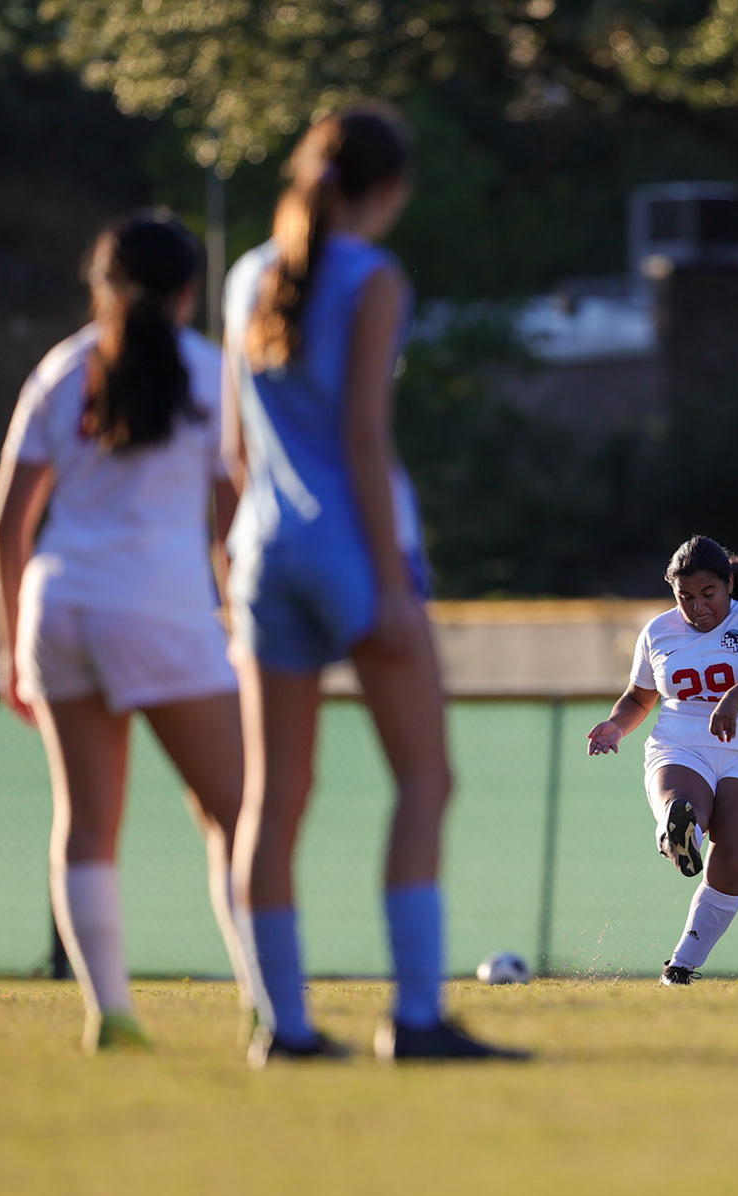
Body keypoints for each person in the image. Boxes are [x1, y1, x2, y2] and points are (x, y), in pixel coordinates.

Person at [223, 103, 526, 1065]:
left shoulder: (245, 277)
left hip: (261, 551)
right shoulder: (374, 276)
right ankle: (418, 1018)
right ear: (389, 190)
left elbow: (238, 451)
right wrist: (392, 583)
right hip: (352, 549)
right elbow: (362, 438)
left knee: (273, 801)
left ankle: (287, 1030)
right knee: (427, 779)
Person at [0, 210, 251, 1052]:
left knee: (86, 822)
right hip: (160, 612)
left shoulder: (59, 371)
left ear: (100, 286)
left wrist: (9, 646)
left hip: (57, 611)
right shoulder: (212, 374)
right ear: (187, 290)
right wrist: (239, 617)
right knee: (237, 814)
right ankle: (268, 999)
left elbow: (6, 526)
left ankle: (112, 1014)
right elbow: (231, 518)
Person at [587, 536, 738, 985]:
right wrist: (615, 725)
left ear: (727, 585)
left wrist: (734, 698)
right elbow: (640, 697)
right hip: (681, 745)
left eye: (708, 595)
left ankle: (681, 965)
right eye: (685, 597)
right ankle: (677, 832)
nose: (697, 607)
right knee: (684, 803)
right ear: (673, 593)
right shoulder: (658, 632)